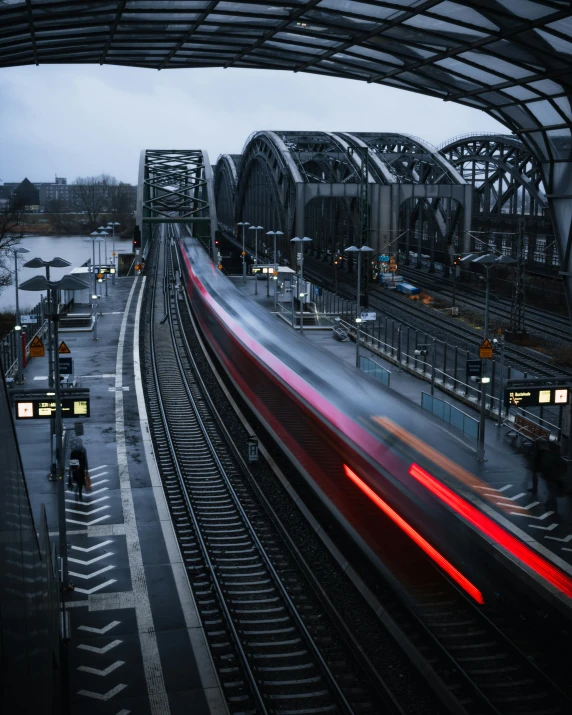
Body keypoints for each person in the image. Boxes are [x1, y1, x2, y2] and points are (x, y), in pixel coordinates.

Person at [70, 437, 89, 501]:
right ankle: (80, 490)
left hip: (75, 468)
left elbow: (71, 460)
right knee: (81, 480)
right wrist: (86, 468)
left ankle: (78, 488)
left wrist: (71, 468)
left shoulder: (73, 451)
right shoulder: (83, 450)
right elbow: (85, 460)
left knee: (77, 479)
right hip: (81, 468)